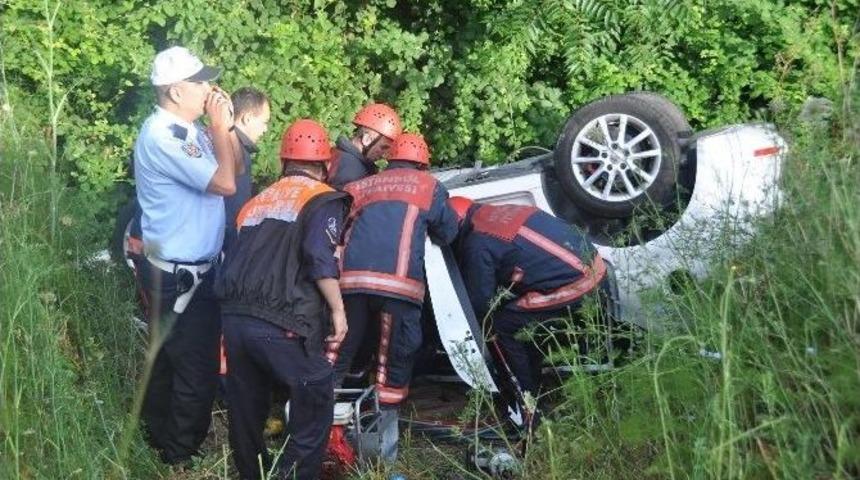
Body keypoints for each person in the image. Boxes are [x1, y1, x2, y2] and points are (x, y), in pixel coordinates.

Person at [215, 119, 349, 480]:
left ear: (283, 162)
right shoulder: (322, 199)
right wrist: (338, 311)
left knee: (246, 407)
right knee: (315, 394)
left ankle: (251, 474)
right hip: (284, 320)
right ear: (324, 165)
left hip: (236, 318)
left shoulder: (256, 202)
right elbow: (320, 257)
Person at [132, 45, 238, 464]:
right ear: (176, 91)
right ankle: (178, 458)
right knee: (195, 368)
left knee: (169, 360)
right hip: (179, 273)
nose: (209, 88)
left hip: (188, 268)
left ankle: (156, 440)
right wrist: (217, 125)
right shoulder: (164, 136)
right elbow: (227, 184)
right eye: (200, 82)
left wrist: (223, 130)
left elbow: (236, 170)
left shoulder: (189, 132)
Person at [331, 133, 459, 459]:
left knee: (339, 352)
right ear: (423, 163)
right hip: (399, 288)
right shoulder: (429, 187)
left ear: (392, 158)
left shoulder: (362, 186)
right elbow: (448, 232)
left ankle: (320, 430)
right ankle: (380, 448)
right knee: (394, 358)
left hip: (352, 284)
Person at [447, 196, 610, 408]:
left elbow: (479, 304)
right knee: (520, 315)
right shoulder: (510, 210)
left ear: (457, 226)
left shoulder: (477, 243)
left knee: (501, 325)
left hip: (577, 287)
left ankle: (527, 398)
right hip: (597, 269)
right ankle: (535, 377)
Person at [223, 87, 271, 254]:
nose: (265, 130)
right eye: (264, 122)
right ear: (247, 118)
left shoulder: (219, 141)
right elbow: (234, 208)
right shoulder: (236, 151)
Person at [327, 103, 402, 189]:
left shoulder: (335, 153)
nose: (384, 155)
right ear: (367, 139)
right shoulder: (355, 172)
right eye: (383, 147)